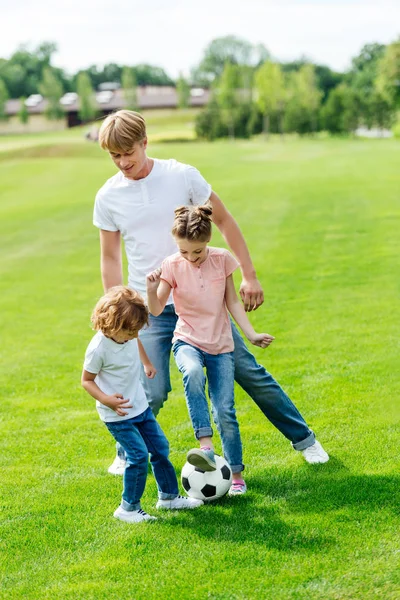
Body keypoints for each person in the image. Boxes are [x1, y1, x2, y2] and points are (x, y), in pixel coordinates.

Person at [93, 110, 329, 476]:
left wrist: (249, 275)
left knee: (248, 372)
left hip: (202, 305)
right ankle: (127, 450)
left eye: (129, 152)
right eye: (114, 156)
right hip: (150, 308)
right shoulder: (108, 196)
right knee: (149, 390)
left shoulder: (181, 175)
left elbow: (224, 221)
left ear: (144, 142)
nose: (123, 162)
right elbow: (110, 257)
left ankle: (305, 440)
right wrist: (115, 306)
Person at [146, 204, 275, 495]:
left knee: (225, 411)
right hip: (187, 339)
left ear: (207, 243)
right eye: (184, 252)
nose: (191, 258)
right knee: (191, 371)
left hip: (220, 345)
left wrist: (251, 334)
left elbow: (231, 302)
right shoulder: (171, 265)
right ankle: (205, 446)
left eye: (197, 252)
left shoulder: (222, 260)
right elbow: (155, 310)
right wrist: (150, 288)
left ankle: (237, 474)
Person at [81, 286, 203, 523]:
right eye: (130, 332)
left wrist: (146, 363)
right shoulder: (98, 348)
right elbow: (86, 381)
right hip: (118, 414)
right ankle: (128, 508)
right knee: (137, 456)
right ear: (112, 325)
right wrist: (106, 399)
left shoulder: (128, 335)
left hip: (140, 406)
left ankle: (168, 497)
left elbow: (135, 344)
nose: (134, 335)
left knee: (160, 448)